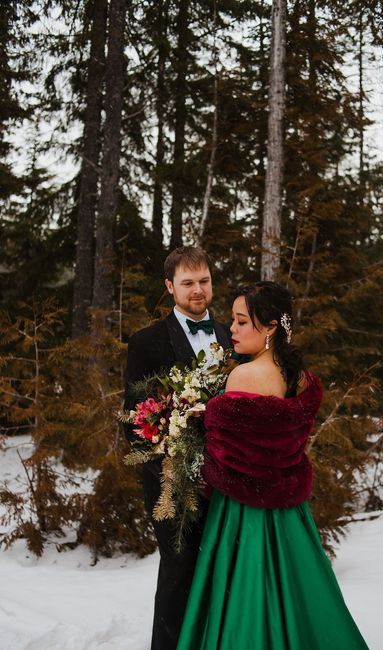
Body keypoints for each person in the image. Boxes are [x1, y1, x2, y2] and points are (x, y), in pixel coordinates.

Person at [177, 281, 369, 650]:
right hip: (290, 511)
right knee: (298, 595)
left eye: (240, 322)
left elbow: (223, 453)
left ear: (269, 327)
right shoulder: (298, 375)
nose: (230, 329)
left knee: (243, 599)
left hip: (241, 511)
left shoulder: (244, 376)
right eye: (232, 321)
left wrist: (196, 424)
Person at [124, 246, 231, 650]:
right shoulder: (146, 342)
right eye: (188, 283)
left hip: (225, 483)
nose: (198, 290)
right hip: (173, 488)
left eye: (204, 281)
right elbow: (134, 421)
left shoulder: (231, 335)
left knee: (222, 571)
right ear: (170, 287)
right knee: (178, 575)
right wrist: (172, 473)